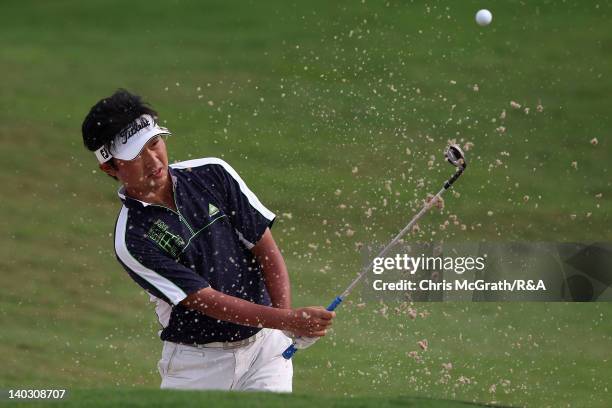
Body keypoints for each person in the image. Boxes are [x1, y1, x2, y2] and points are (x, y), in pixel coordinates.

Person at [81, 89, 334, 392]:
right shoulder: (132, 238)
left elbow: (266, 251)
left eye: (154, 143)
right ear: (110, 168)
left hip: (265, 352)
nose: (153, 160)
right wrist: (285, 319)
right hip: (197, 367)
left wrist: (282, 326)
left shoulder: (212, 173)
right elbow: (205, 300)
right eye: (136, 156)